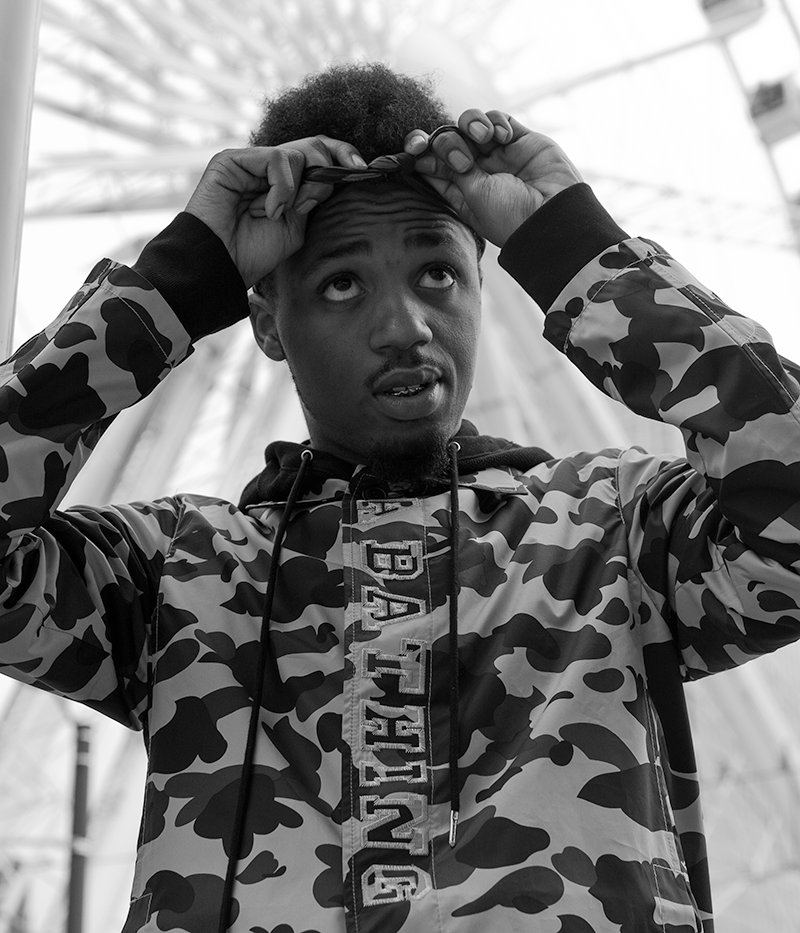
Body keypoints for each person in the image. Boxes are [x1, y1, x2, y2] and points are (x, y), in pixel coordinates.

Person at [1, 61, 799, 933]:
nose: (405, 327)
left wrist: (578, 251)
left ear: (486, 286)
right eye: (342, 284)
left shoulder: (616, 536)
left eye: (438, 275)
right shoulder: (179, 577)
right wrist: (174, 283)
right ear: (266, 322)